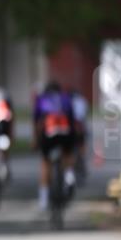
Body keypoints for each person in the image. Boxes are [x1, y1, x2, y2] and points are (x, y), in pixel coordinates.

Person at [33, 80, 76, 209]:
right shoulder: (66, 98)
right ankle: (69, 175)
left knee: (46, 163)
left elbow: (36, 122)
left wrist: (35, 140)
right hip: (65, 132)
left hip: (49, 134)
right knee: (67, 155)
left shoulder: (41, 99)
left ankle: (44, 199)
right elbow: (72, 119)